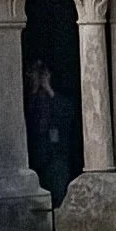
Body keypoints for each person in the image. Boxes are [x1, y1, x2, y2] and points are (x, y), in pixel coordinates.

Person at [24, 59, 73, 209]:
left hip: (56, 155)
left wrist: (49, 89)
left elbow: (68, 116)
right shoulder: (28, 98)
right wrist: (34, 89)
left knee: (58, 192)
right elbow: (26, 118)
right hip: (35, 155)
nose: (40, 77)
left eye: (43, 73)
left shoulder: (59, 98)